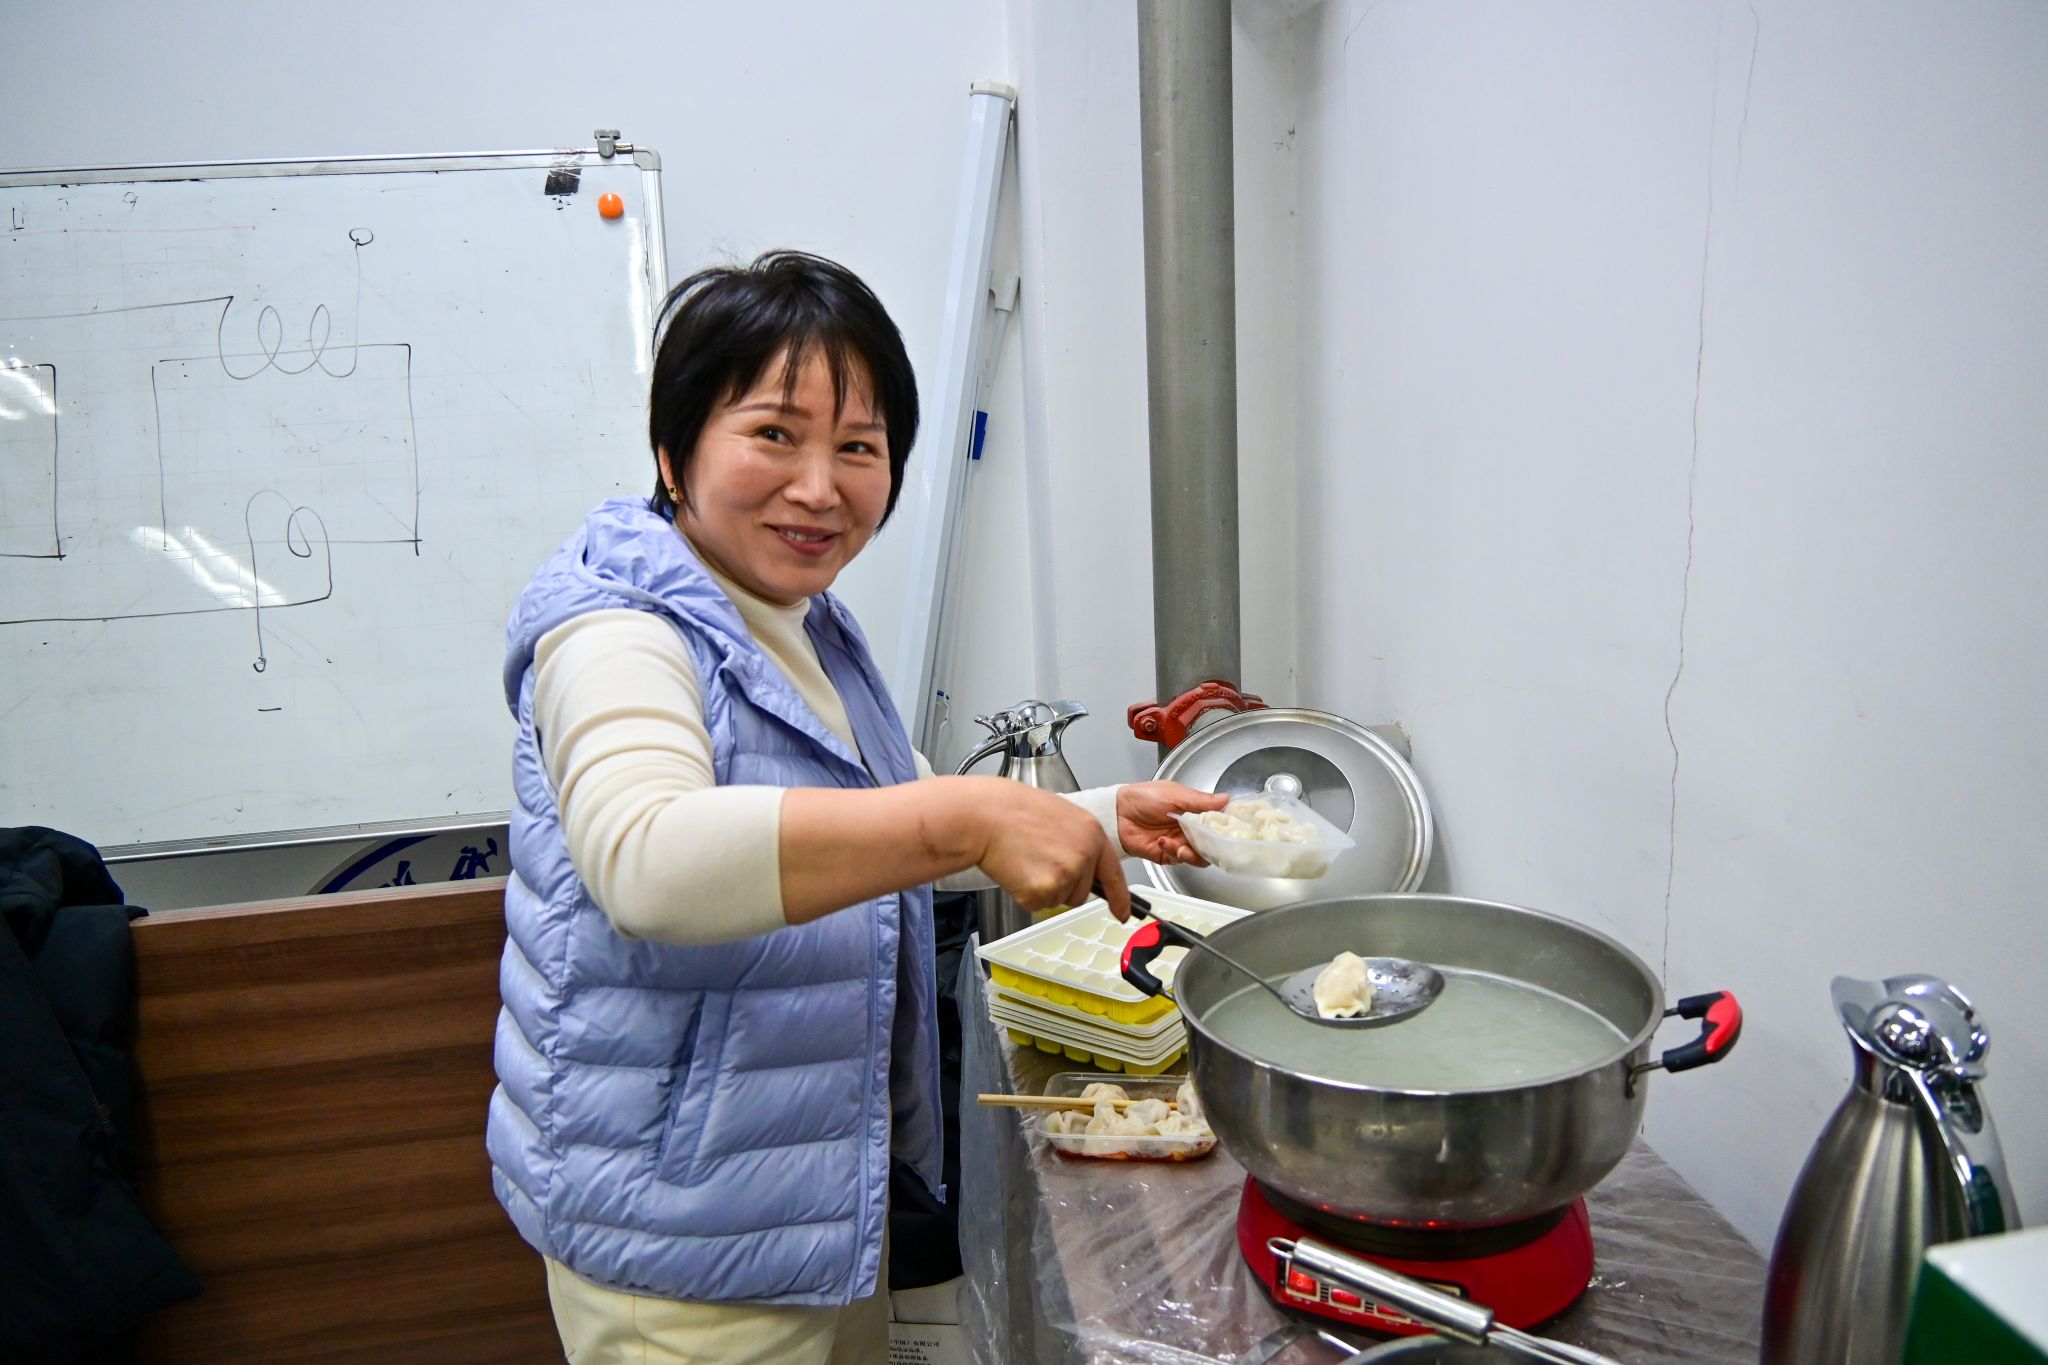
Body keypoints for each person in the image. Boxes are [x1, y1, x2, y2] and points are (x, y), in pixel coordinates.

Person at [486, 250, 1225, 1364]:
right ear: (673, 452)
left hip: (811, 1198)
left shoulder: (800, 619)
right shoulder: (616, 631)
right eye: (774, 434)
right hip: (680, 1237)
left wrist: (1095, 812)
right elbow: (647, 860)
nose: (819, 487)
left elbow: (881, 823)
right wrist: (970, 820)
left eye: (859, 448)